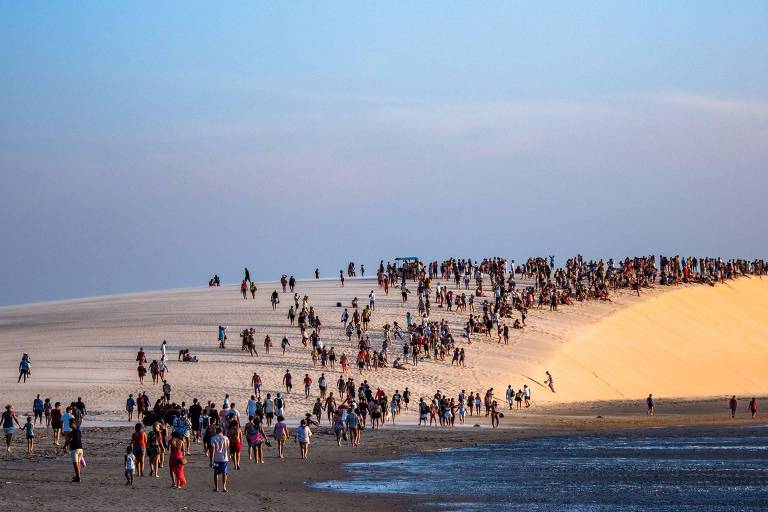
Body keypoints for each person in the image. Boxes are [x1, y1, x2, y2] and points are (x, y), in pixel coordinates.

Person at [209, 427, 230, 492]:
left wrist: (211, 460)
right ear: (222, 431)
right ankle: (224, 487)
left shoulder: (213, 438)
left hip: (216, 458)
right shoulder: (226, 438)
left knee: (216, 473)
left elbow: (213, 449)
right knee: (224, 473)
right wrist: (229, 455)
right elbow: (228, 447)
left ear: (216, 432)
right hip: (224, 458)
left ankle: (216, 487)